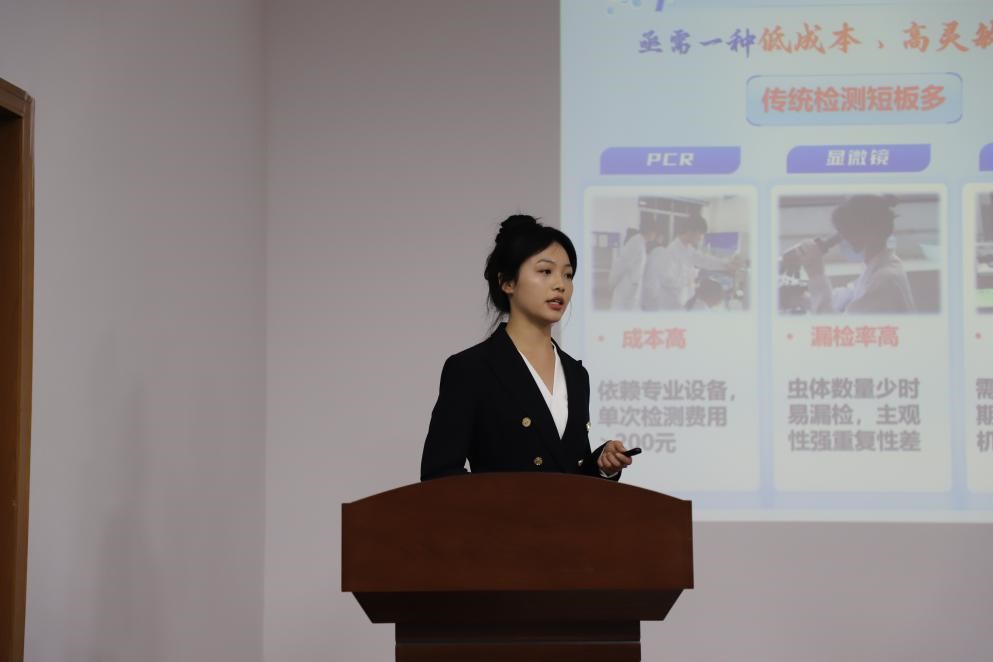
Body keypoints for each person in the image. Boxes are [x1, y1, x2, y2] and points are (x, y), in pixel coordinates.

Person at [420, 214, 634, 481]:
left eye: (568, 275)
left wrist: (601, 465)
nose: (560, 285)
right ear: (507, 282)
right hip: (499, 510)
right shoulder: (471, 369)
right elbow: (439, 475)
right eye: (545, 271)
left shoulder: (576, 374)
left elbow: (568, 478)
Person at [792, 194, 915, 314]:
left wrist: (816, 273)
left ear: (871, 234)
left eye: (847, 234)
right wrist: (801, 298)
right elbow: (847, 296)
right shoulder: (880, 265)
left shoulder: (884, 279)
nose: (844, 241)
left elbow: (834, 326)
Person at [642, 211, 743, 310]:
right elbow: (669, 283)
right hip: (671, 304)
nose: (701, 238)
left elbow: (704, 260)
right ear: (691, 231)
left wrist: (727, 264)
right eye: (701, 234)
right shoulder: (671, 252)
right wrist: (691, 284)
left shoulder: (688, 249)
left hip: (682, 302)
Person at [608, 216, 657, 310]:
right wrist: (612, 283)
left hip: (632, 290)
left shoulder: (641, 243)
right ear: (650, 231)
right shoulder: (635, 243)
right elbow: (620, 265)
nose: (655, 236)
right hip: (626, 289)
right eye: (655, 232)